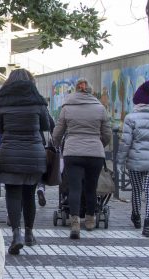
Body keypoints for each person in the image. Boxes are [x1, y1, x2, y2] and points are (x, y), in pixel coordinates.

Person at [0, 68, 50, 254]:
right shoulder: (37, 101)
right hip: (34, 152)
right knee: (29, 194)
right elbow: (46, 125)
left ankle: (15, 234)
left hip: (9, 152)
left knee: (13, 194)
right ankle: (29, 233)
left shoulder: (1, 102)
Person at [52, 78, 111, 239]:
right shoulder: (100, 108)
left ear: (76, 91)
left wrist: (55, 144)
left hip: (73, 152)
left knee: (74, 187)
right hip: (95, 154)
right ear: (90, 91)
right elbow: (107, 134)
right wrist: (99, 144)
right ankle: (90, 219)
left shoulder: (67, 107)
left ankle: (75, 222)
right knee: (91, 187)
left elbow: (58, 132)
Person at [117, 81, 149, 237]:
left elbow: (125, 143)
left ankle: (136, 217)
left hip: (135, 162)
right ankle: (148, 224)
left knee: (137, 191)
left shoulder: (130, 118)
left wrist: (120, 161)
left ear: (137, 101)